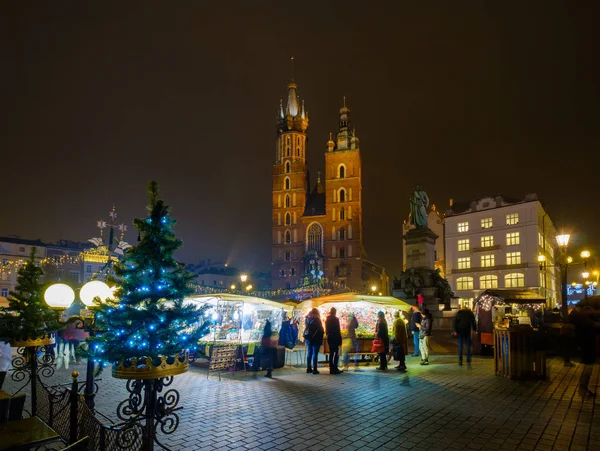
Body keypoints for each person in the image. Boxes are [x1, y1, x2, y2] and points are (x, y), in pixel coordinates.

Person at [304, 308, 324, 374]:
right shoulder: (317, 320)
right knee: (315, 354)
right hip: (316, 339)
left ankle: (308, 368)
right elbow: (321, 330)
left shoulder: (307, 319)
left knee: (309, 353)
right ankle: (315, 369)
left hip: (308, 338)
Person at [325, 307, 343, 374]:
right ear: (335, 312)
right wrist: (340, 340)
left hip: (330, 338)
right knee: (336, 353)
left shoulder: (327, 319)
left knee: (331, 353)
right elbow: (338, 330)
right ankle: (335, 367)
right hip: (335, 338)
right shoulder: (336, 319)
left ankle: (331, 367)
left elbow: (326, 330)